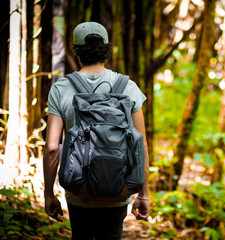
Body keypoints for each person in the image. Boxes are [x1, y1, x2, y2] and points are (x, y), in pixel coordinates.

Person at [43, 22, 149, 239]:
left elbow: (53, 148)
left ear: (78, 51)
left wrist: (49, 194)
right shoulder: (128, 87)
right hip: (118, 189)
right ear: (106, 51)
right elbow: (141, 145)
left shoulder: (61, 88)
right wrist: (144, 195)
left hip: (78, 191)